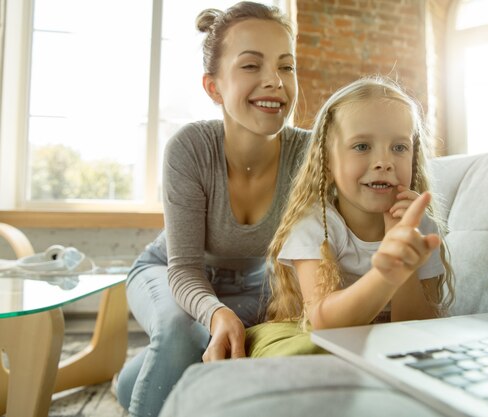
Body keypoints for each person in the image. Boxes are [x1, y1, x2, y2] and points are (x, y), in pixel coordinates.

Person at [115, 3, 309, 416]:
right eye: (251, 66)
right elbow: (183, 270)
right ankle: (167, 350)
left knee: (164, 367)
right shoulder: (189, 149)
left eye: (286, 66)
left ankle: (137, 376)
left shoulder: (308, 153)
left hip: (252, 286)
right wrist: (214, 311)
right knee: (181, 329)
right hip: (168, 270)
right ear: (213, 87)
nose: (274, 81)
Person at [246, 76, 454, 357]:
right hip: (318, 339)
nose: (384, 161)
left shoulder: (419, 226)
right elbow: (324, 322)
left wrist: (401, 255)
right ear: (328, 162)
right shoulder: (316, 225)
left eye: (399, 147)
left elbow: (415, 329)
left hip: (386, 346)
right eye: (362, 146)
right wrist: (386, 274)